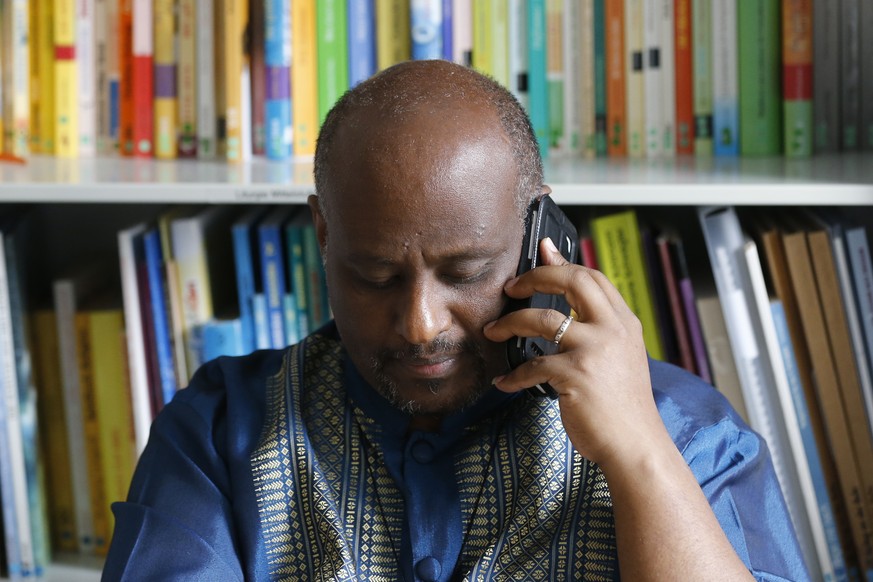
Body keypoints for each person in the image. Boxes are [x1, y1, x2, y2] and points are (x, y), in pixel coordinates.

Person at [103, 59, 808, 581]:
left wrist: (642, 459)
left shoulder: (690, 438)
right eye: (373, 275)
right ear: (322, 232)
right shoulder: (218, 433)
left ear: (539, 232)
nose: (418, 323)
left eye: (465, 272)